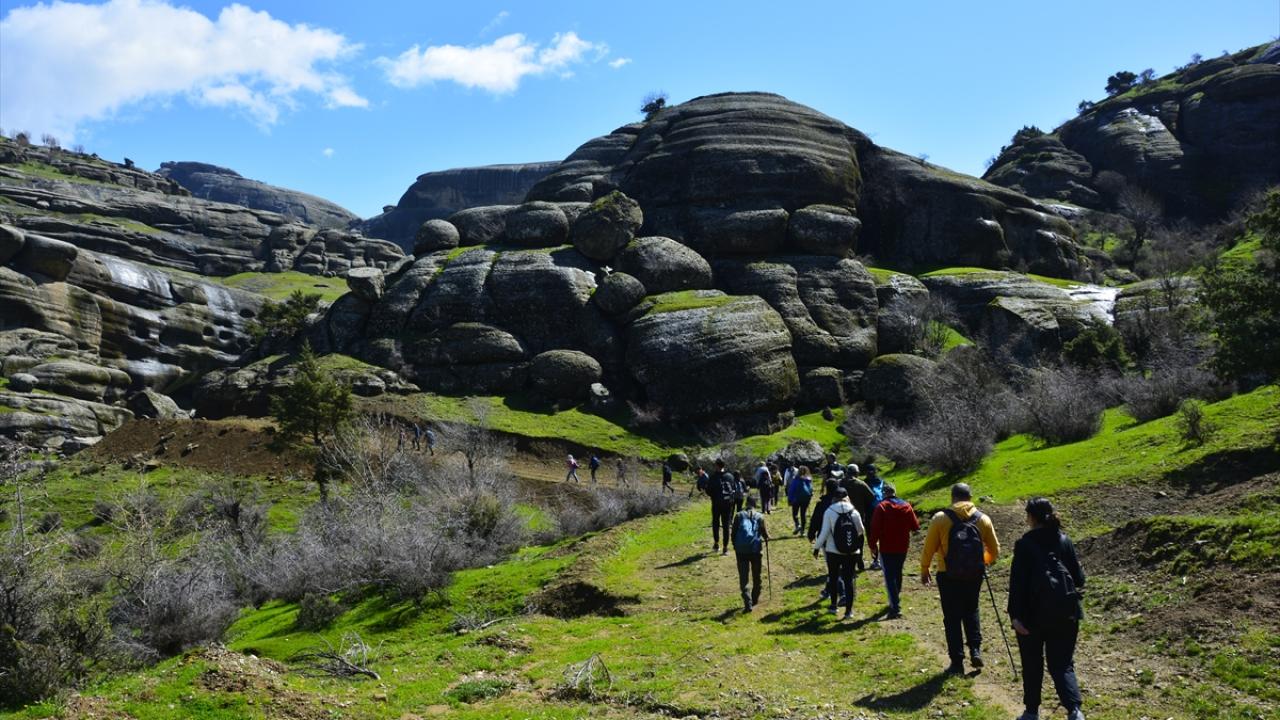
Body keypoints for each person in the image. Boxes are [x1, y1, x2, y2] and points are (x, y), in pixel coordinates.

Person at [1008, 498, 1087, 720]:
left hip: (1032, 615)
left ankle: (1031, 712)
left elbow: (1017, 584)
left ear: (1032, 517)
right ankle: (1075, 710)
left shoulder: (1024, 544)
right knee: (1062, 664)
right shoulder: (1064, 540)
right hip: (1066, 612)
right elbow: (1079, 579)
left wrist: (1015, 616)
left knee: (1032, 664)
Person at [920, 483, 1001, 674]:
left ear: (952, 497)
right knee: (972, 610)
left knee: (951, 616)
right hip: (974, 575)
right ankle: (975, 650)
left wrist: (925, 568)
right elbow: (995, 550)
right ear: (970, 498)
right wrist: (981, 562)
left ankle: (957, 661)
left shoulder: (940, 519)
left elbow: (929, 547)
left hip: (947, 574)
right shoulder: (983, 519)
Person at [868, 483, 920, 619]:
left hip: (887, 547)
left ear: (884, 493)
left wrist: (872, 545)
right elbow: (915, 526)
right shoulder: (906, 506)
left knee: (889, 576)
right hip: (903, 546)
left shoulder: (881, 507)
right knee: (898, 572)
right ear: (895, 492)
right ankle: (896, 597)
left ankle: (895, 607)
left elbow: (875, 528)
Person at [812, 487, 864, 620]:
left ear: (834, 498)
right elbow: (861, 530)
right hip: (851, 552)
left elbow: (824, 532)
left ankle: (833, 606)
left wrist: (816, 548)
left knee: (834, 577)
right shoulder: (854, 511)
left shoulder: (830, 511)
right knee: (849, 580)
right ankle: (849, 611)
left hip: (833, 551)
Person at [731, 495, 770, 612]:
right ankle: (755, 599)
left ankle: (747, 602)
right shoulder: (760, 517)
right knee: (756, 575)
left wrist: (736, 546)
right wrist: (766, 538)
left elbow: (733, 534)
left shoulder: (738, 516)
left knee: (744, 577)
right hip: (755, 550)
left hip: (741, 551)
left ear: (746, 503)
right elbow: (765, 535)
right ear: (755, 504)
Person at [808, 479, 840, 601]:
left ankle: (834, 592)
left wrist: (811, 534)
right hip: (842, 537)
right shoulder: (844, 503)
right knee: (838, 566)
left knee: (832, 566)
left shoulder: (821, 504)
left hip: (826, 539)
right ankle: (829, 590)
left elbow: (815, 521)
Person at [843, 471, 875, 572]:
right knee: (859, 538)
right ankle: (859, 559)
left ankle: (848, 561)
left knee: (846, 538)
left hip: (843, 516)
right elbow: (871, 497)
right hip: (859, 515)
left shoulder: (841, 483)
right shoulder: (861, 484)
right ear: (856, 473)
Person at [709, 460, 738, 555]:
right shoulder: (730, 476)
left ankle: (716, 544)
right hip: (728, 504)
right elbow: (734, 489)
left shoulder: (713, 477)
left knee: (716, 524)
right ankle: (725, 548)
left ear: (717, 466)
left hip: (716, 504)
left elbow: (709, 491)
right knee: (726, 525)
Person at [864, 465, 886, 571]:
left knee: (871, 537)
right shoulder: (882, 482)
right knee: (883, 536)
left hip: (869, 513)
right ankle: (883, 558)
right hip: (882, 511)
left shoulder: (863, 483)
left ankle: (875, 560)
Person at [786, 465, 814, 535]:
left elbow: (791, 490)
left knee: (795, 513)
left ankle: (798, 525)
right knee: (803, 514)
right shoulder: (808, 479)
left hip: (796, 499)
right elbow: (811, 490)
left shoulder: (795, 479)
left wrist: (790, 499)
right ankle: (803, 531)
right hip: (805, 499)